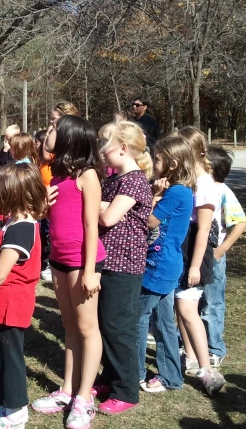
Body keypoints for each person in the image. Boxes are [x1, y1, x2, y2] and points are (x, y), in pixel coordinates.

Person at [31, 115, 104, 429]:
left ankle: (84, 399)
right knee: (69, 327)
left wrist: (90, 271)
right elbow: (49, 215)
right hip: (59, 261)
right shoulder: (57, 175)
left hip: (82, 262)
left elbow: (91, 225)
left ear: (69, 139)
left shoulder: (87, 176)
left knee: (88, 329)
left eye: (52, 130)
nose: (47, 133)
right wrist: (43, 205)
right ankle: (67, 390)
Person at [0, 163, 47, 429]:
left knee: (8, 357)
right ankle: (7, 404)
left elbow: (1, 272)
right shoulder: (17, 222)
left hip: (10, 304)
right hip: (2, 303)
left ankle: (15, 413)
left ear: (10, 194)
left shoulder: (21, 228)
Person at [93, 121, 153, 414]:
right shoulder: (115, 179)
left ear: (123, 148)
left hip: (125, 266)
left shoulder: (134, 181)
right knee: (106, 323)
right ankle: (109, 377)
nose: (101, 151)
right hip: (108, 261)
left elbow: (108, 217)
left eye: (106, 144)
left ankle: (127, 390)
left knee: (119, 327)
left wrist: (93, 203)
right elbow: (105, 207)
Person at [136, 135, 195, 393]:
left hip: (158, 267)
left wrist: (153, 195)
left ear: (171, 163)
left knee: (138, 319)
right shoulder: (180, 191)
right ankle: (171, 376)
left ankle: (135, 372)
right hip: (166, 265)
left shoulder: (176, 192)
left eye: (157, 158)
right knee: (163, 323)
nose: (154, 163)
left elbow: (147, 221)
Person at [174, 126, 226, 396]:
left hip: (194, 252)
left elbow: (203, 229)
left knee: (188, 310)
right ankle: (190, 356)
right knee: (180, 308)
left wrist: (194, 266)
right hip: (181, 248)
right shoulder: (188, 179)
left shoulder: (204, 183)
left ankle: (207, 370)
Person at [199, 145, 246, 370]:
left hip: (213, 256)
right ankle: (193, 343)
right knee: (193, 301)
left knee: (212, 302)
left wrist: (220, 251)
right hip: (195, 255)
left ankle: (214, 348)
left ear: (209, 167)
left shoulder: (223, 191)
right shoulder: (198, 187)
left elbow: (240, 223)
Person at [34, 128, 53, 283]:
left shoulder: (53, 163)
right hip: (41, 203)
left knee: (49, 234)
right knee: (41, 233)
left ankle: (49, 264)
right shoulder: (40, 162)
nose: (35, 145)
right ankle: (41, 261)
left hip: (52, 203)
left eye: (38, 142)